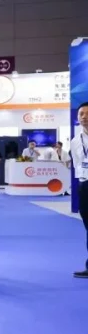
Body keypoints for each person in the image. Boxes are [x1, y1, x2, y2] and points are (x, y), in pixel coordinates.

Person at [72, 103, 88, 279]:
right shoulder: (76, 141)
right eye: (81, 114)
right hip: (85, 185)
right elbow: (77, 163)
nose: (84, 117)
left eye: (87, 113)